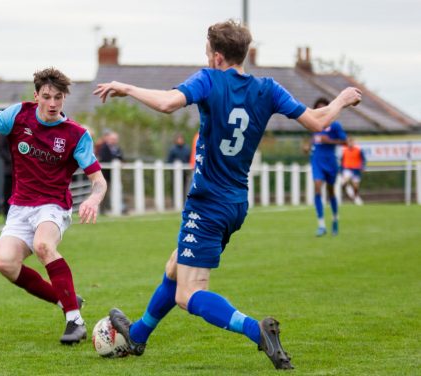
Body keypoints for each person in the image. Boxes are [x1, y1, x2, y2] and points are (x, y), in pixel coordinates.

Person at [93, 20, 361, 370]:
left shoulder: (209, 79)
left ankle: (256, 330)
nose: (205, 59)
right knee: (175, 266)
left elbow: (168, 104)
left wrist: (126, 87)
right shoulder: (268, 89)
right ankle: (139, 335)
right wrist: (341, 98)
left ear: (217, 56)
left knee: (188, 293)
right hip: (236, 204)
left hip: (207, 204)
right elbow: (316, 121)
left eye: (206, 53)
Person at [0, 67, 107, 344]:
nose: (53, 103)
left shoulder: (76, 135)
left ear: (64, 98)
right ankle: (65, 299)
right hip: (20, 207)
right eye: (47, 96)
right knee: (5, 263)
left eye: (58, 97)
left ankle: (74, 320)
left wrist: (93, 198)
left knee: (44, 246)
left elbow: (99, 180)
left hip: (53, 206)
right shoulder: (18, 115)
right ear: (36, 95)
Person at [309, 97, 348, 236]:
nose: (321, 110)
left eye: (323, 107)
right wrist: (307, 147)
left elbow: (345, 142)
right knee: (318, 188)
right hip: (317, 161)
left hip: (330, 161)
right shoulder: (313, 125)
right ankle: (321, 225)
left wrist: (330, 141)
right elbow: (313, 142)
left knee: (331, 191)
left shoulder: (335, 125)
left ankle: (335, 218)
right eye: (318, 107)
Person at [340, 137, 366, 205]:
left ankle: (355, 197)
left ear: (354, 143)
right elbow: (342, 160)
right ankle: (348, 190)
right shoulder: (344, 150)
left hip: (356, 169)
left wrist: (362, 166)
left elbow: (363, 159)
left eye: (351, 142)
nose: (350, 143)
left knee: (356, 186)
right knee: (344, 182)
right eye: (349, 142)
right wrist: (341, 169)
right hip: (347, 169)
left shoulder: (358, 150)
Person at [0, 134, 13, 216]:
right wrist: (10, 158)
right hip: (10, 170)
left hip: (24, 171)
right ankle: (6, 213)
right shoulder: (6, 131)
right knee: (8, 193)